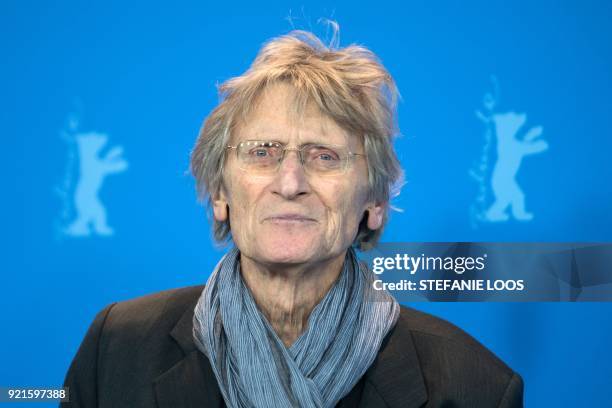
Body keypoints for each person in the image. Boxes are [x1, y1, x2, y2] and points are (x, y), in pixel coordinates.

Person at [62, 29, 524, 408]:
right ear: (221, 191)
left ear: (374, 200)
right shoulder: (117, 349)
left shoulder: (474, 387)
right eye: (261, 152)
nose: (289, 182)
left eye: (324, 156)